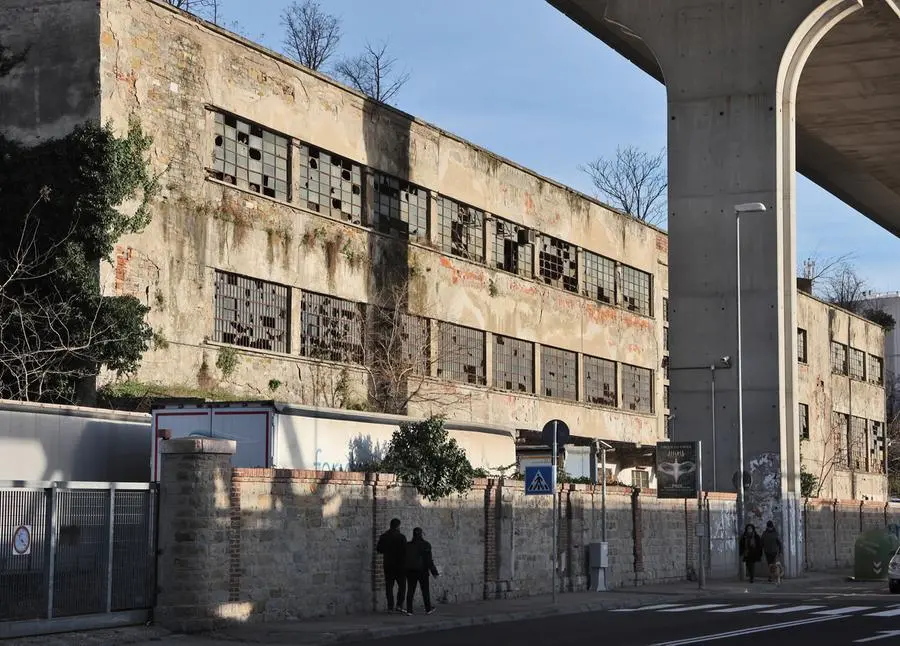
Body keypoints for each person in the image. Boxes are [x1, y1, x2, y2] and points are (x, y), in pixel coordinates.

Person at [404, 527, 439, 615]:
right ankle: (428, 609)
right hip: (422, 571)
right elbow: (429, 560)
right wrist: (434, 572)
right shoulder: (426, 545)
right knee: (425, 590)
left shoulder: (408, 545)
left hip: (410, 571)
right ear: (421, 534)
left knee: (410, 590)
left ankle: (409, 610)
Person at [376, 518, 407, 613]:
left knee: (389, 586)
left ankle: (390, 607)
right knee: (402, 586)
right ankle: (399, 605)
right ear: (398, 526)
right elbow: (405, 551)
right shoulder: (401, 537)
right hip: (400, 565)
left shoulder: (384, 536)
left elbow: (379, 550)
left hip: (388, 564)